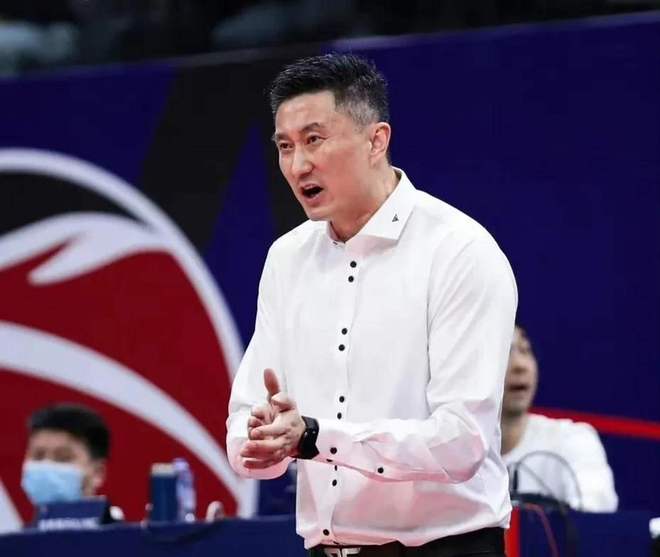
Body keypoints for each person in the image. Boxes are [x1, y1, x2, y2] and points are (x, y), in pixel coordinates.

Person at [226, 53, 517, 556]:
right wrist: (260, 441)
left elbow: (462, 442)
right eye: (285, 146)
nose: (298, 165)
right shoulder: (286, 259)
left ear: (376, 140)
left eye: (314, 140)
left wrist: (315, 436)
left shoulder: (458, 250)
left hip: (444, 547)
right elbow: (247, 416)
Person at [501, 325, 618, 512]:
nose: (520, 365)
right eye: (504, 352)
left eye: (525, 350)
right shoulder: (453, 454)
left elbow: (594, 514)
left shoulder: (572, 438)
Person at [21, 403, 118, 514]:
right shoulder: (20, 526)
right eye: (38, 456)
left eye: (63, 458)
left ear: (98, 472)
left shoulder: (117, 526)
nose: (47, 464)